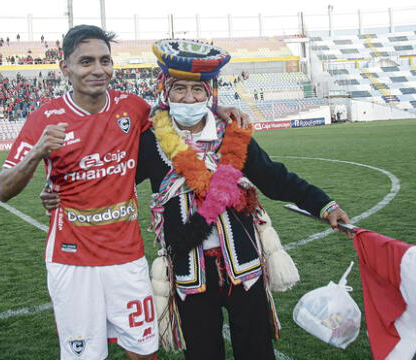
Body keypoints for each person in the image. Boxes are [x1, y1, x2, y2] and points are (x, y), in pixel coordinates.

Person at [42, 39, 350, 360]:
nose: (189, 98)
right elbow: (112, 179)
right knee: (203, 352)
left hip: (244, 265)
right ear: (165, 90)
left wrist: (324, 204)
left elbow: (275, 178)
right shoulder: (150, 142)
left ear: (210, 94)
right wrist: (60, 189)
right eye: (180, 90)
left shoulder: (233, 132)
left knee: (257, 350)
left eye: (198, 91)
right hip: (190, 270)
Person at [0, 25, 246, 360]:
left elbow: (182, 110)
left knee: (144, 350)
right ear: (65, 68)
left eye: (104, 60)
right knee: (85, 355)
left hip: (126, 257)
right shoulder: (45, 118)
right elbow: (2, 189)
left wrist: (220, 110)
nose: (98, 70)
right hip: (71, 259)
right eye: (86, 62)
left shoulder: (134, 108)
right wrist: (38, 151)